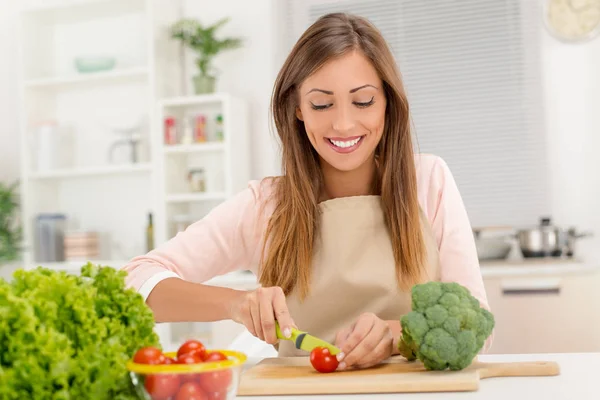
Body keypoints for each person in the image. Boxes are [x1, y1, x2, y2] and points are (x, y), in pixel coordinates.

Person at [122, 12, 491, 371]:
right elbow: (134, 281)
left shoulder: (429, 181)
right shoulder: (265, 206)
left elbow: (476, 326)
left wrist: (399, 334)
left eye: (363, 101)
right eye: (321, 103)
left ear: (387, 105)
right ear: (297, 108)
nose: (343, 123)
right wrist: (236, 304)